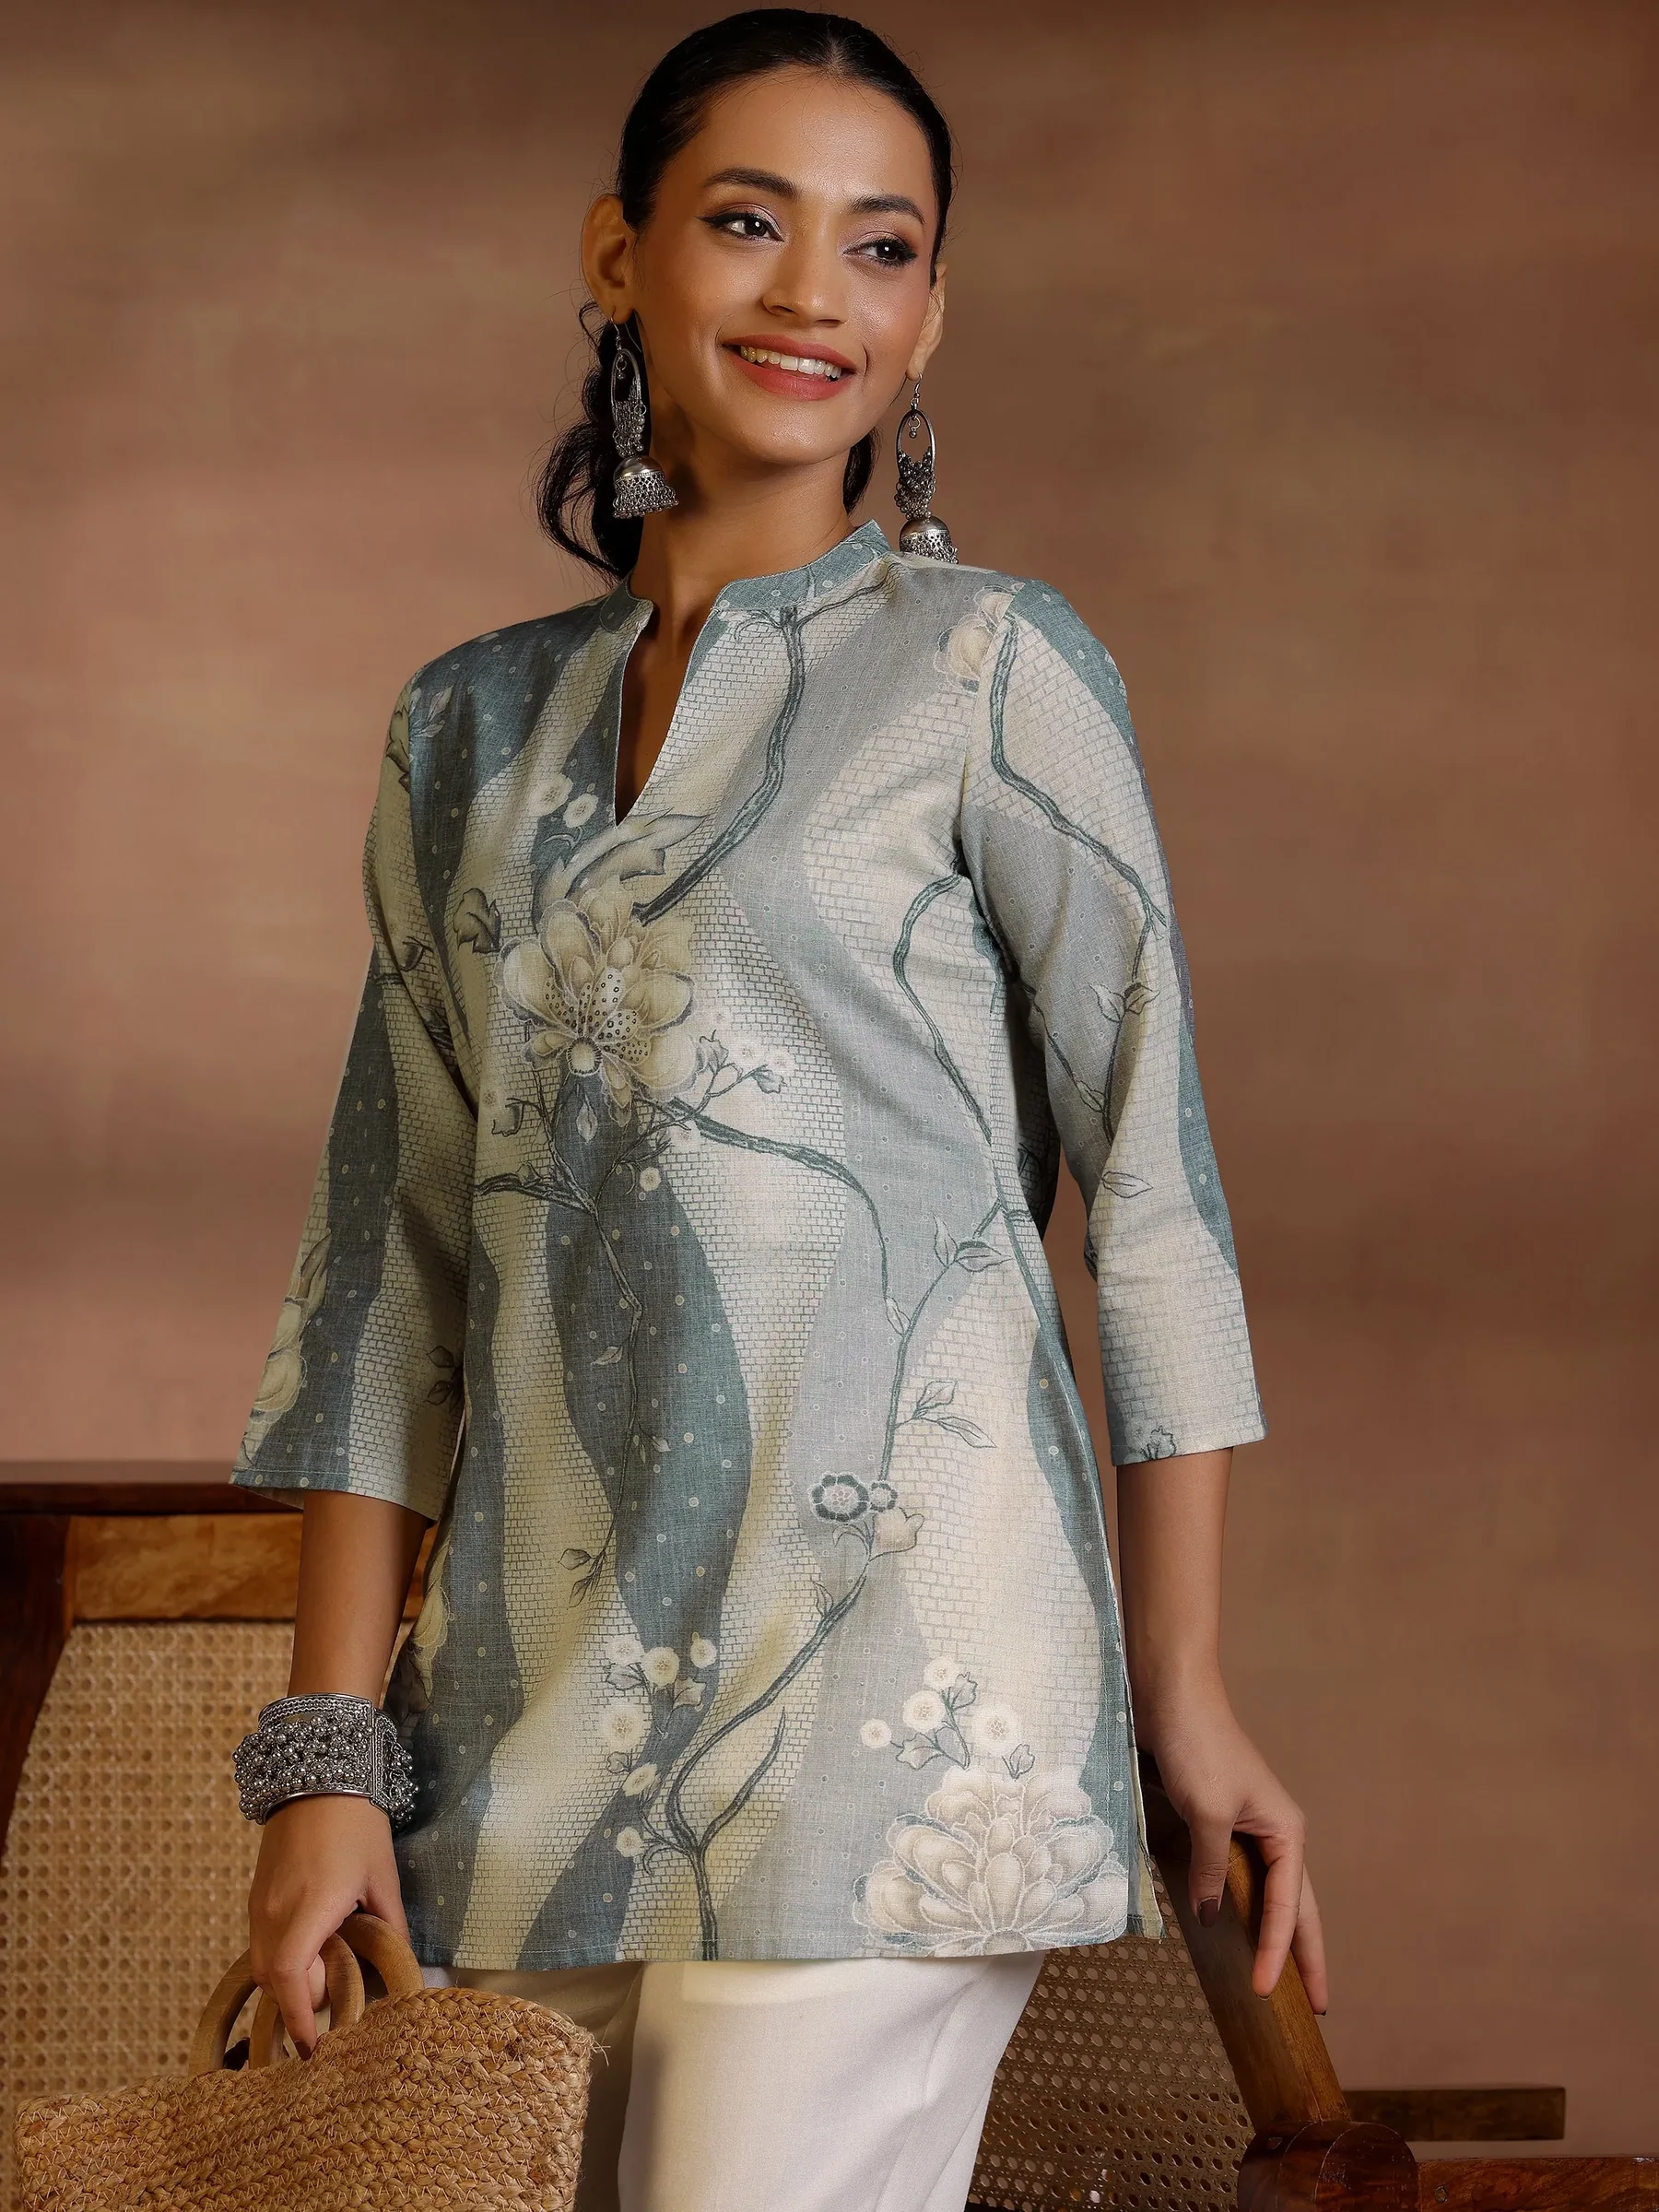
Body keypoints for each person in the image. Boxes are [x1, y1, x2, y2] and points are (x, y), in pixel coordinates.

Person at [233, 12, 1326, 2208]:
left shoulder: (993, 673)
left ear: (932, 314)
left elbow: (1154, 1193)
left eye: (881, 244)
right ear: (618, 256)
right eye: (750, 222)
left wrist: (1184, 1679)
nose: (817, 291)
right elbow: (389, 1275)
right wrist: (325, 1762)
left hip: (895, 1702)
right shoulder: (466, 736)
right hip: (519, 1740)